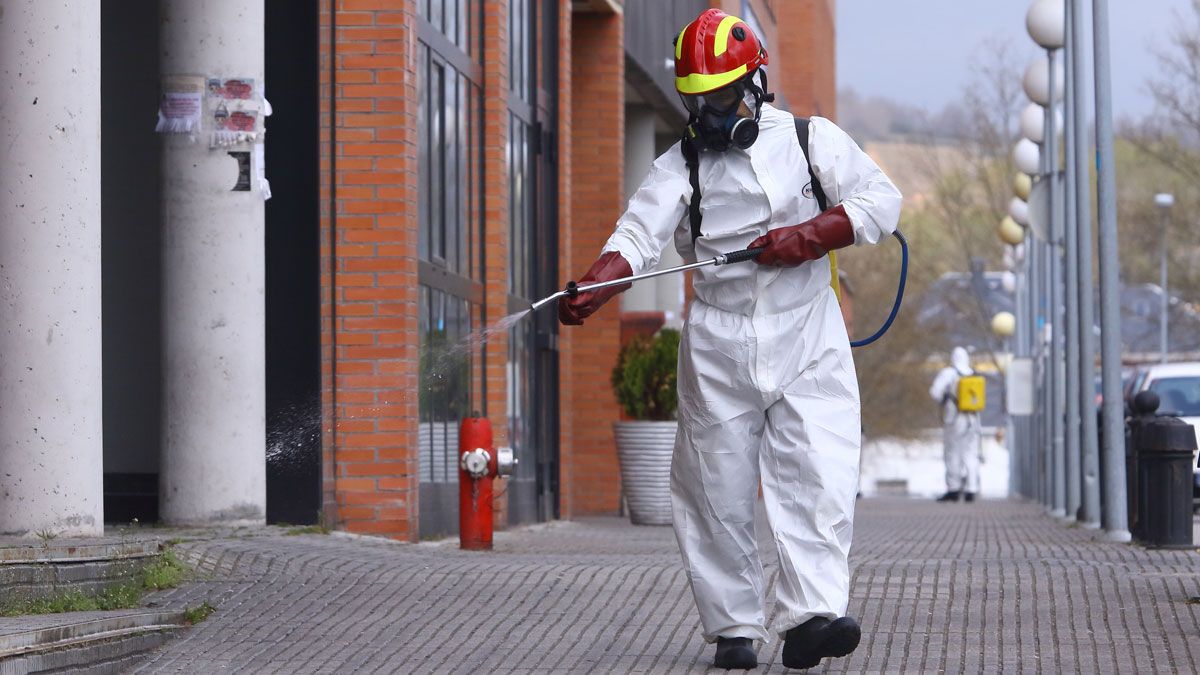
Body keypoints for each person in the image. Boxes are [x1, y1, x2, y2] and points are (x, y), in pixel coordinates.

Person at [559, 9, 902, 670]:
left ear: (754, 85)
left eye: (719, 99)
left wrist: (811, 235)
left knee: (818, 474)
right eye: (696, 102)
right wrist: (602, 280)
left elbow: (879, 200)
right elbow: (637, 233)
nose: (709, 116)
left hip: (807, 328)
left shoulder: (810, 140)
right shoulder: (680, 165)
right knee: (715, 485)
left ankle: (809, 617)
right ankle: (734, 628)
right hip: (718, 339)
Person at [929, 347, 982, 503]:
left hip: (955, 418)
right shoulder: (974, 374)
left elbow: (935, 392)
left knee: (953, 453)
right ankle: (972, 489)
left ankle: (953, 489)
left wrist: (946, 398)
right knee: (971, 454)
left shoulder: (949, 373)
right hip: (974, 419)